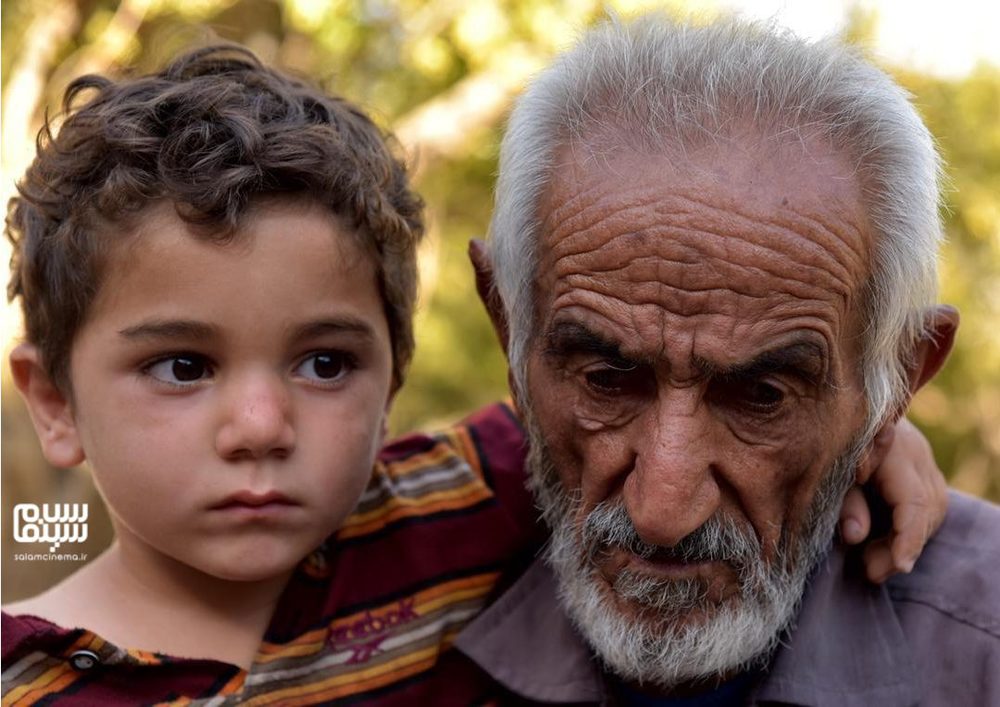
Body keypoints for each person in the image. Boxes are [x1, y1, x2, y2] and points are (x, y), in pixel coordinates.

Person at [0, 38, 952, 706]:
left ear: (396, 371)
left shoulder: (450, 506)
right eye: (182, 366)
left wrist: (871, 430)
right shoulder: (25, 674)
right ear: (53, 402)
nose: (260, 425)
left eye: (326, 362)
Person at [455, 13, 1000, 705]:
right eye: (605, 380)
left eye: (762, 395)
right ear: (510, 333)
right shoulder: (378, 578)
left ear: (894, 386)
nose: (663, 508)